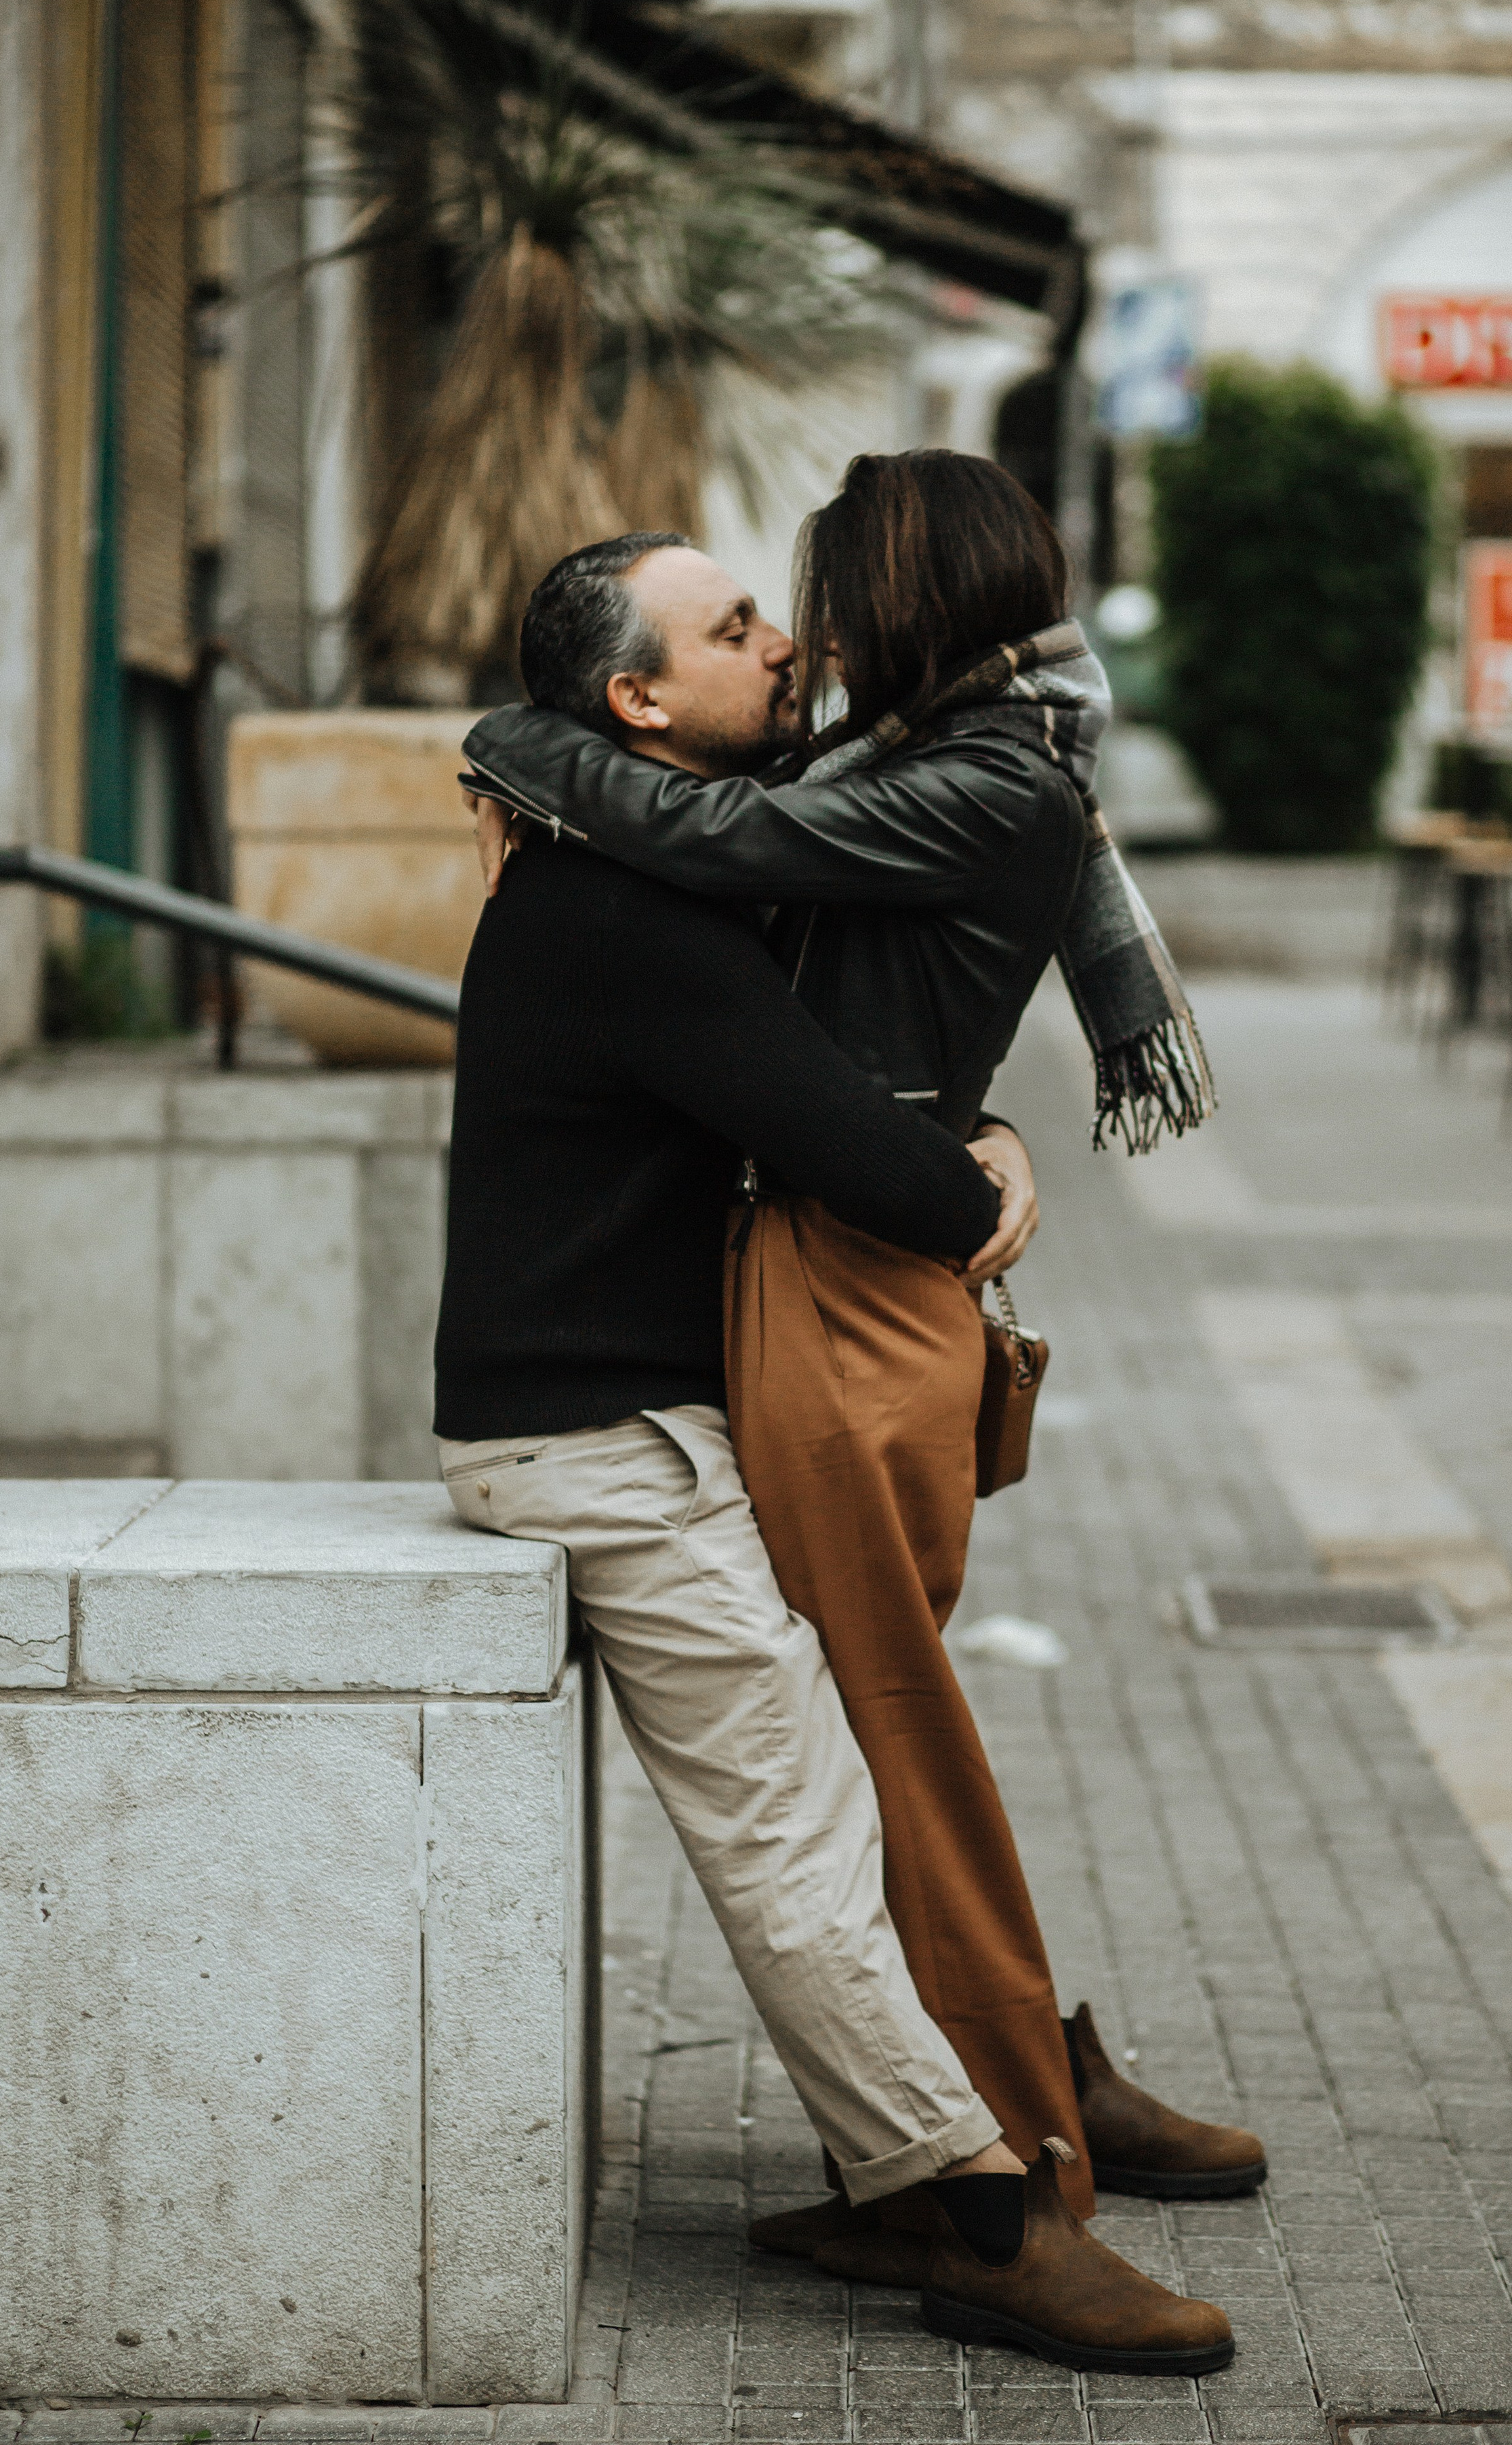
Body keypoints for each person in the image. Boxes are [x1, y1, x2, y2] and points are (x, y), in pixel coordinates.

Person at [436, 531, 1235, 2376]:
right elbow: (865, 1150)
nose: (783, 645)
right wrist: (987, 1171)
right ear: (640, 701)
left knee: (869, 1761)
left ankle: (993, 2104)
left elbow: (847, 1097)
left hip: (636, 1416)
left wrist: (988, 1145)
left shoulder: (650, 866)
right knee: (795, 1809)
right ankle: (973, 2202)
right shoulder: (624, 909)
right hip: (592, 1443)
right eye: (733, 628)